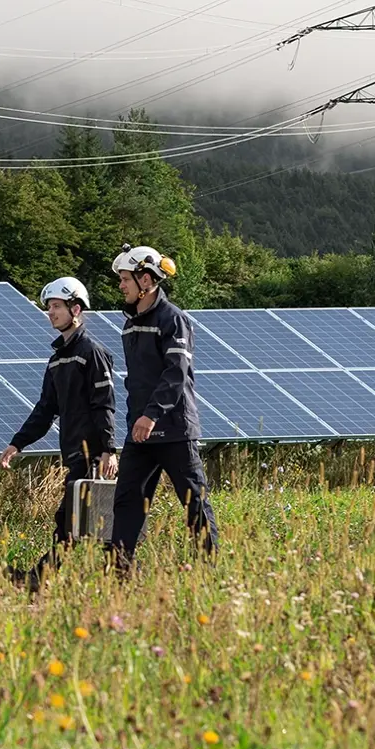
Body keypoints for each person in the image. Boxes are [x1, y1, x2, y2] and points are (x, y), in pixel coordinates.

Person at [0, 276, 118, 591]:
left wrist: (108, 449)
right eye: (49, 307)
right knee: (79, 521)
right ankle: (113, 580)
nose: (50, 313)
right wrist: (18, 442)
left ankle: (43, 579)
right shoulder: (57, 360)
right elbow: (45, 409)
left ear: (76, 309)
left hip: (93, 453)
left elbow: (104, 403)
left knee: (84, 520)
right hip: (74, 452)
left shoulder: (92, 351)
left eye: (56, 306)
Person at [108, 244, 218, 571]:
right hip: (139, 433)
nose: (121, 285)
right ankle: (120, 573)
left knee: (193, 501)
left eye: (125, 278)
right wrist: (136, 421)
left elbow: (175, 373)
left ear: (146, 279)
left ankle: (208, 571)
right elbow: (136, 382)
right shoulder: (129, 324)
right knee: (127, 503)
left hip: (173, 429)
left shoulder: (174, 320)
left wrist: (151, 415)